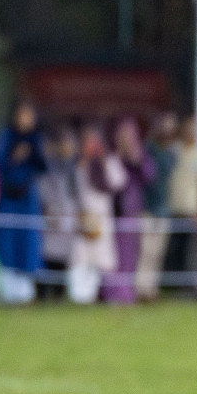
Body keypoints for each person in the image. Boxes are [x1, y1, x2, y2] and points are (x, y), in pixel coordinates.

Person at [0, 101, 46, 303]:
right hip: (8, 200)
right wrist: (14, 158)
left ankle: (25, 291)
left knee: (27, 243)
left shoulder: (36, 139)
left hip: (27, 200)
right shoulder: (6, 137)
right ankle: (7, 290)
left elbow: (42, 166)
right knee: (7, 243)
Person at [69, 122, 123, 304]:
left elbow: (119, 182)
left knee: (100, 260)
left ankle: (93, 295)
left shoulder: (107, 161)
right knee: (80, 257)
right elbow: (75, 191)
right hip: (84, 216)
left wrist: (105, 161)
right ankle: (78, 296)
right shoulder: (79, 163)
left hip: (102, 217)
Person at [105, 117, 155, 304]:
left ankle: (125, 292)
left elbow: (149, 177)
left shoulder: (140, 155)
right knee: (110, 256)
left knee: (129, 256)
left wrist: (137, 159)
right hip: (111, 213)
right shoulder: (111, 155)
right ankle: (110, 292)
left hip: (131, 213)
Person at [165, 116, 197, 296]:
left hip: (191, 213)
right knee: (173, 251)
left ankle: (188, 288)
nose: (190, 133)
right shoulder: (173, 152)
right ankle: (173, 286)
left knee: (190, 252)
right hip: (171, 211)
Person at [135, 112, 176, 301]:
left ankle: (151, 288)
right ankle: (140, 288)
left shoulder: (171, 153)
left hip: (163, 209)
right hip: (147, 208)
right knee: (145, 251)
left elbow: (169, 173)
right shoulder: (147, 149)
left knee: (158, 252)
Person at [37, 124, 81, 298]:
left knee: (63, 260)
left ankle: (59, 295)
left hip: (68, 222)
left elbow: (77, 194)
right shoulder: (49, 166)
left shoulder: (74, 168)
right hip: (51, 219)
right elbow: (43, 187)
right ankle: (42, 294)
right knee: (47, 257)